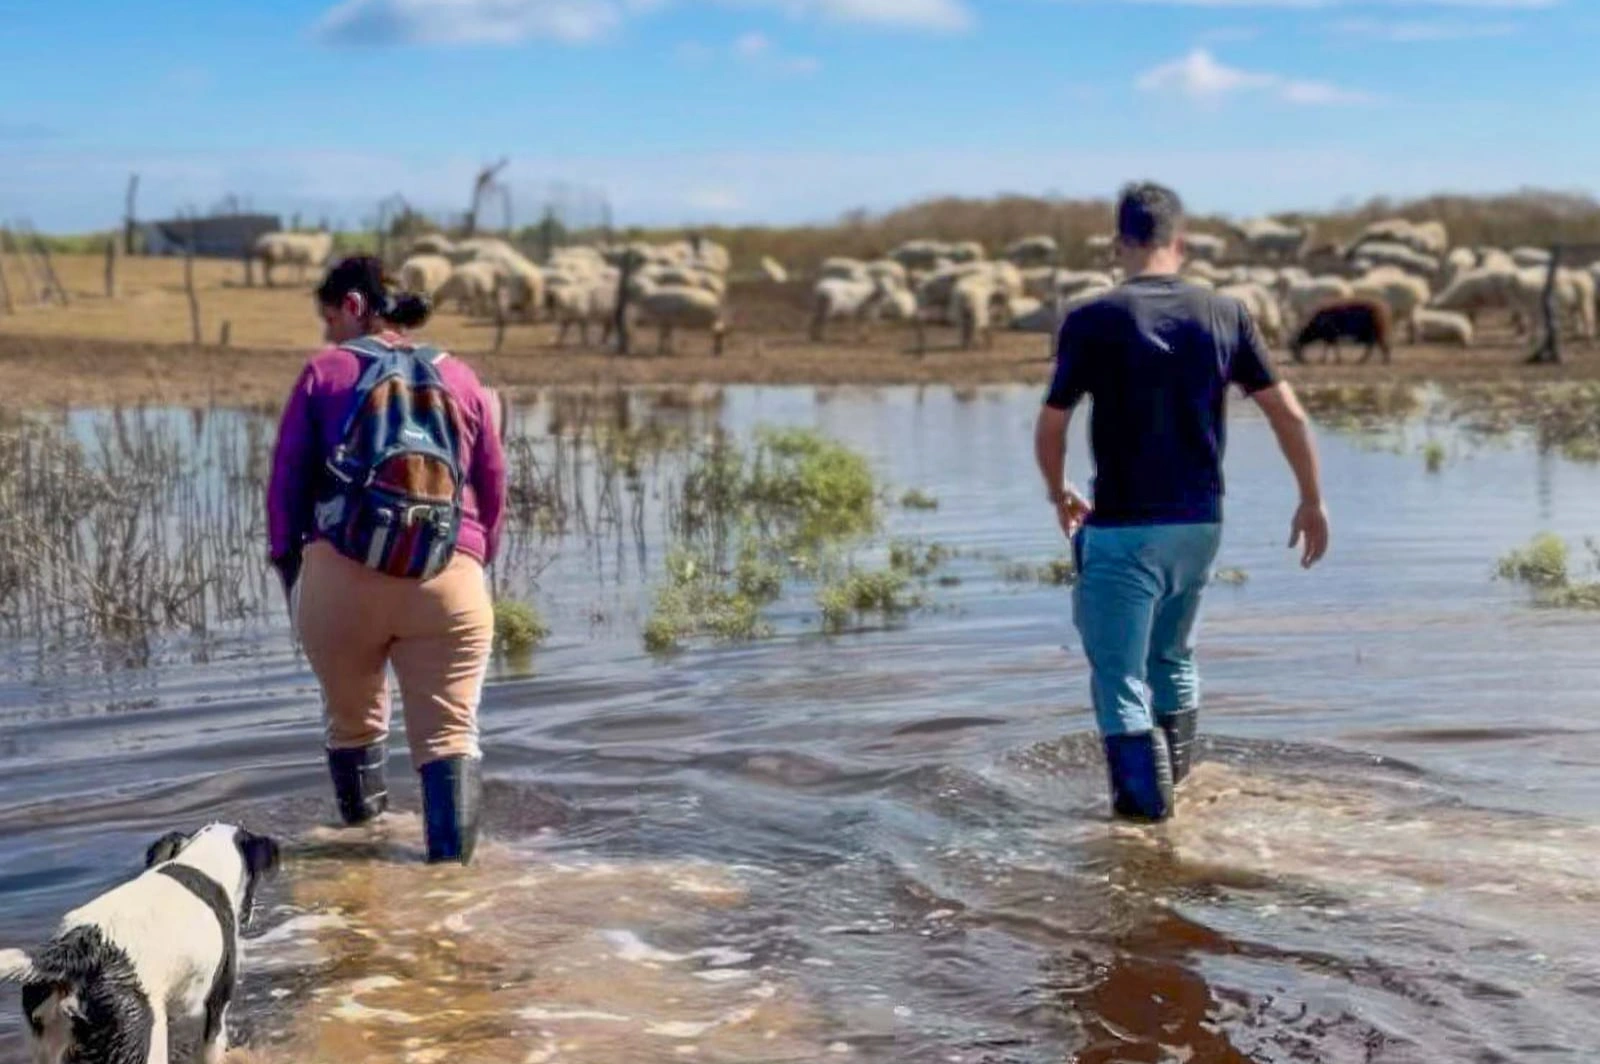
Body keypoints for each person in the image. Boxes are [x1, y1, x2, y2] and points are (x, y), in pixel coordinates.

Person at [1033, 182, 1329, 822]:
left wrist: (1058, 490)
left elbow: (1052, 423)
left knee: (1120, 678)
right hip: (1200, 523)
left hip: (1123, 527)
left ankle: (1146, 831)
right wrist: (1311, 500)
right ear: (1181, 243)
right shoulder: (1227, 312)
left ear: (1118, 245)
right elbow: (1289, 415)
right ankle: (1181, 802)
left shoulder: (1091, 317)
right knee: (1172, 658)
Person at [267, 256, 507, 863]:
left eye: (330, 319)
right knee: (451, 736)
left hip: (341, 578)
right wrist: (476, 560)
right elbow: (493, 483)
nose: (328, 336)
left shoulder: (325, 372)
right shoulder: (463, 378)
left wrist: (292, 572)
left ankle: (360, 891)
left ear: (353, 305)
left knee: (353, 726)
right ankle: (449, 898)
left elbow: (286, 488)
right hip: (449, 577)